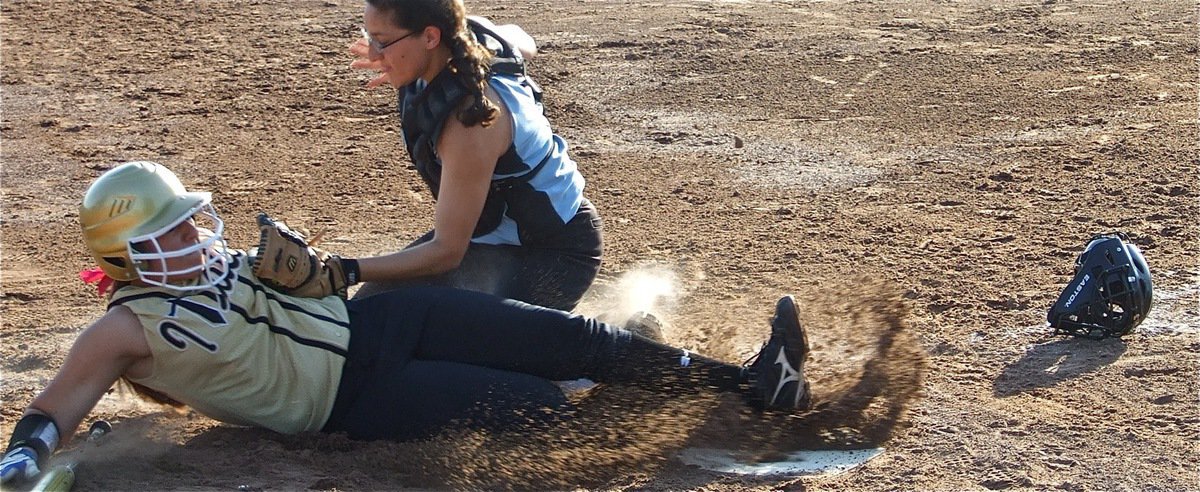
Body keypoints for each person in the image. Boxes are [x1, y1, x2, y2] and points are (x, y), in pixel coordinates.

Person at [0, 162, 813, 485]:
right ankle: (658, 395)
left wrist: (323, 270)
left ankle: (748, 384)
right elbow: (52, 410)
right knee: (536, 408)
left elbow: (314, 287)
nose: (194, 235)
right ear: (129, 257)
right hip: (350, 404)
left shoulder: (220, 264)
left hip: (379, 323)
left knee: (569, 339)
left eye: (190, 219)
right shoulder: (125, 328)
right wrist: (23, 464)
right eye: (169, 232)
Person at [309, 0, 601, 311]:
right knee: (368, 317)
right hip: (494, 238)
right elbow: (521, 39)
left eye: (382, 40)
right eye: (370, 37)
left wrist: (343, 269)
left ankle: (627, 338)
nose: (373, 54)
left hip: (552, 253)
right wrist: (396, 55)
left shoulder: (471, 126)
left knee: (456, 349)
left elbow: (447, 251)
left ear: (431, 37)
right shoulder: (464, 37)